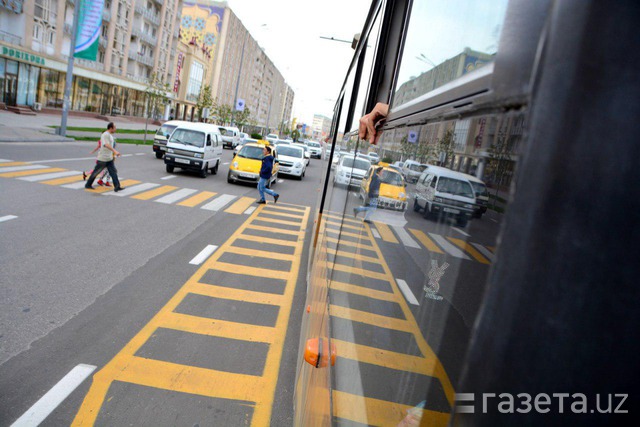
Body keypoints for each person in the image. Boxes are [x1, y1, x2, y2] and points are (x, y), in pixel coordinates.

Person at [85, 122, 125, 192]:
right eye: (114, 127)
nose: (115, 129)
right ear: (111, 128)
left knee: (113, 172)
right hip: (103, 159)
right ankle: (88, 184)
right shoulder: (105, 135)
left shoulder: (109, 135)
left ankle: (117, 186)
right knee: (96, 172)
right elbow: (106, 145)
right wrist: (115, 151)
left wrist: (113, 154)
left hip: (109, 158)